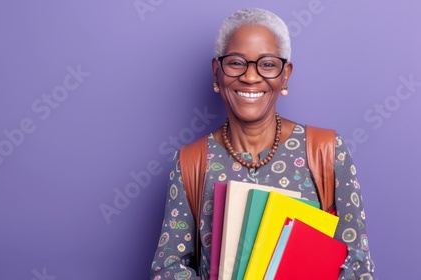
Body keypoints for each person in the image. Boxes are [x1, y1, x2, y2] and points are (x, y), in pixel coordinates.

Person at [150, 7, 374, 280]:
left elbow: (358, 264)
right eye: (236, 62)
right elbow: (168, 268)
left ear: (285, 75)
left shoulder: (326, 151)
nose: (250, 77)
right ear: (216, 72)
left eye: (267, 64)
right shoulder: (191, 162)